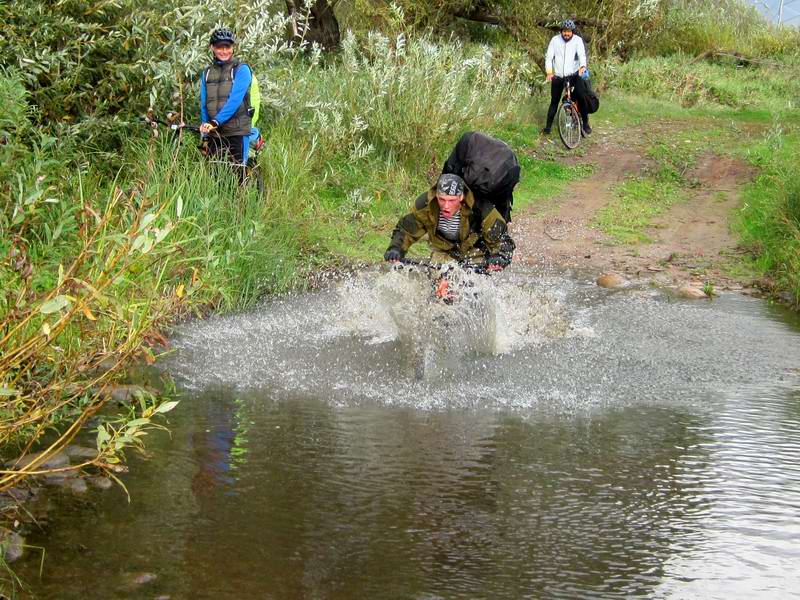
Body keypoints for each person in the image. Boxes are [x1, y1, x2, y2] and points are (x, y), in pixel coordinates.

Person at [384, 174, 515, 270]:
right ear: (436, 196)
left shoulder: (480, 207)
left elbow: (501, 237)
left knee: (473, 290)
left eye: (451, 201)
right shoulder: (425, 205)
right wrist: (396, 249)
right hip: (443, 251)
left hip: (475, 251)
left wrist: (500, 256)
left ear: (461, 197)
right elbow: (406, 230)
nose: (446, 206)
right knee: (442, 289)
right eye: (442, 199)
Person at [199, 28, 257, 173]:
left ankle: (243, 195)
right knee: (214, 175)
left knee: (237, 174)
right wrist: (205, 130)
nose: (224, 51)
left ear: (233, 48)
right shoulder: (206, 73)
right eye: (219, 47)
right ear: (212, 47)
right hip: (215, 132)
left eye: (228, 47)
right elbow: (204, 104)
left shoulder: (241, 70)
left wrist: (214, 122)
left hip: (237, 131)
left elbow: (234, 101)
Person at [441, 131, 520, 223]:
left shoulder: (468, 141)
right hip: (505, 166)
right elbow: (447, 176)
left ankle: (494, 228)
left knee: (490, 209)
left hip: (504, 171)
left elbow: (448, 174)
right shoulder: (467, 143)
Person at [542, 19, 592, 136]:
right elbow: (549, 57)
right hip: (558, 76)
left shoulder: (577, 41)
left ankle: (585, 123)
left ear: (572, 32)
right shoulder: (555, 40)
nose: (566, 34)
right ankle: (548, 127)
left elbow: (581, 55)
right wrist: (549, 72)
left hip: (574, 75)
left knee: (581, 95)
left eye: (569, 31)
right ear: (561, 31)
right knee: (554, 101)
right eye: (564, 31)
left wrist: (582, 67)